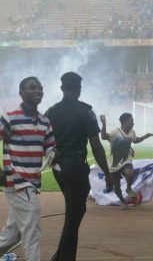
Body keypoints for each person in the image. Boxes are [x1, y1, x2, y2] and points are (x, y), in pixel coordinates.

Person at [0, 77, 55, 260]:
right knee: (32, 234)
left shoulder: (45, 121)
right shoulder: (11, 117)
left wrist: (53, 154)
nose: (38, 91)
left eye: (40, 88)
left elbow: (50, 148)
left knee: (12, 235)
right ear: (21, 93)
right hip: (17, 182)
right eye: (32, 88)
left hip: (32, 184)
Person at [46, 72, 111, 260]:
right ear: (79, 89)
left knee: (74, 212)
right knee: (74, 215)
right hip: (75, 167)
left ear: (61, 88)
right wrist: (107, 172)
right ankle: (63, 258)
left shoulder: (51, 111)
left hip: (58, 168)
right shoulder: (86, 111)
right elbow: (97, 147)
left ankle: (61, 255)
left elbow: (41, 137)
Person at [100, 112, 153, 209]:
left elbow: (136, 140)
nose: (133, 123)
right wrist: (104, 124)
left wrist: (146, 136)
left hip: (126, 159)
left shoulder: (132, 132)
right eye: (131, 121)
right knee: (116, 186)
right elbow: (103, 137)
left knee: (129, 172)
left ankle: (128, 188)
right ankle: (122, 201)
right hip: (114, 162)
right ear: (125, 122)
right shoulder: (115, 132)